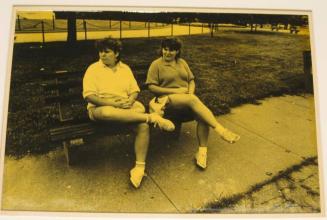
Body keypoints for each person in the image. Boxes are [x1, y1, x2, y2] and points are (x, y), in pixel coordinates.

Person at [83, 37, 175, 188]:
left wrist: (131, 101)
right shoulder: (93, 69)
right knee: (108, 113)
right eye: (100, 52)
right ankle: (152, 117)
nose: (102, 55)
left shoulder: (124, 69)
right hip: (100, 108)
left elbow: (134, 90)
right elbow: (89, 96)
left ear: (117, 53)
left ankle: (139, 168)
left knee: (141, 119)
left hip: (124, 107)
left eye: (106, 52)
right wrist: (112, 103)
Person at [146, 37, 240, 169]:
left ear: (177, 51)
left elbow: (191, 80)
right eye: (165, 49)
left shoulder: (182, 62)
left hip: (186, 100)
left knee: (202, 115)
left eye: (172, 50)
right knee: (194, 101)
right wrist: (176, 91)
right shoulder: (156, 64)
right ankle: (221, 130)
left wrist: (190, 93)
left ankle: (202, 153)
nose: (167, 53)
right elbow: (151, 87)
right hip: (165, 101)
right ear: (161, 49)